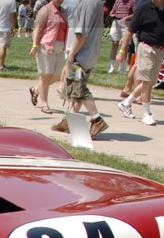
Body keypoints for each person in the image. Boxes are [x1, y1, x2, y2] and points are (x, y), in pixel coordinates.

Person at [53, 0, 109, 137]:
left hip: (81, 54)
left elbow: (81, 34)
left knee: (79, 89)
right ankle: (69, 120)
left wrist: (71, 54)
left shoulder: (87, 4)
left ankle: (96, 118)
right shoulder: (96, 3)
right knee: (75, 90)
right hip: (89, 53)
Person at [116, 0, 164, 126]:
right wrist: (122, 51)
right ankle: (147, 114)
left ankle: (126, 103)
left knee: (150, 81)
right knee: (147, 81)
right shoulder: (144, 8)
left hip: (160, 50)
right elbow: (130, 31)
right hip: (146, 48)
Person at [29, 0, 68, 114]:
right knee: (45, 76)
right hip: (46, 45)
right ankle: (44, 104)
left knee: (56, 76)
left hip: (60, 47)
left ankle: (36, 90)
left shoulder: (63, 11)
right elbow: (38, 29)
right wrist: (35, 46)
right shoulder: (45, 10)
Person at [107, 0, 134, 72]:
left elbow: (135, 14)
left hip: (126, 23)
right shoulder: (117, 1)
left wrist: (126, 18)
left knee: (124, 45)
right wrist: (112, 13)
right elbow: (112, 12)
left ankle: (122, 68)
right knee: (114, 43)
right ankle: (112, 67)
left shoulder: (132, 1)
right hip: (116, 22)